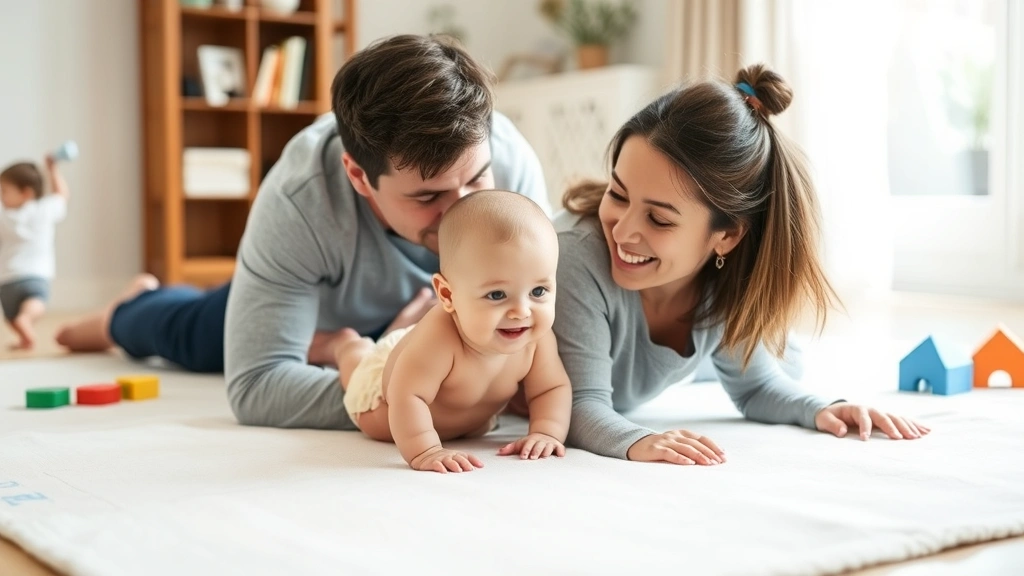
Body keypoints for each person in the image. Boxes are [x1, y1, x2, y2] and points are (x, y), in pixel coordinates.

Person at [55, 34, 550, 431]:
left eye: (476, 179)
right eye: (428, 198)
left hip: (424, 334)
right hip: (323, 318)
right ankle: (125, 310)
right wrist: (408, 401)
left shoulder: (506, 156)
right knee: (187, 332)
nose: (465, 212)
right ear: (359, 176)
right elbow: (256, 385)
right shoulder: (299, 200)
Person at [551, 64, 931, 465]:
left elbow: (755, 388)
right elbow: (580, 403)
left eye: (659, 219)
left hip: (656, 354)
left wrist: (823, 408)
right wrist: (638, 440)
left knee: (787, 363)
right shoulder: (573, 257)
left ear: (727, 236)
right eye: (618, 193)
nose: (623, 231)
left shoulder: (729, 279)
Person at [335, 190, 570, 473]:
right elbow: (408, 396)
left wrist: (546, 431)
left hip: (467, 420)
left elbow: (551, 388)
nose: (521, 311)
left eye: (538, 291)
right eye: (497, 295)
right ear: (447, 294)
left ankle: (393, 330)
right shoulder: (440, 338)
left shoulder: (536, 337)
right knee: (362, 378)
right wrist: (426, 450)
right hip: (387, 400)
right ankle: (346, 346)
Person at [0, 156, 70, 349]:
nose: (1, 197)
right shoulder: (44, 210)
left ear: (25, 193)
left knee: (11, 316)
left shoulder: (5, 218)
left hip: (7, 280)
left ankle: (22, 334)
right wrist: (53, 170)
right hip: (36, 276)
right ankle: (27, 319)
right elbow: (62, 195)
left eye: (4, 191)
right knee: (35, 303)